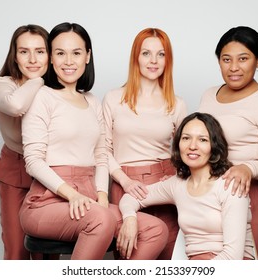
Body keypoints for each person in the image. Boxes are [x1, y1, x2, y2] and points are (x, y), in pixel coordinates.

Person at [19, 22, 168, 260]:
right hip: (45, 202)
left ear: (87, 56)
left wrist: (102, 195)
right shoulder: (41, 97)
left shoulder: (92, 102)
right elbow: (33, 162)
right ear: (51, 58)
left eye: (76, 53)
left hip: (88, 196)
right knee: (101, 220)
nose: (69, 61)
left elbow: (100, 155)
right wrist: (72, 195)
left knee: (155, 229)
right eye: (60, 53)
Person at [198, 26, 258, 260]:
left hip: (254, 198)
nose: (233, 67)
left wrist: (248, 168)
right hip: (210, 198)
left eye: (243, 59)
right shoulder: (209, 95)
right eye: (226, 59)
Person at [119, 112, 256, 260]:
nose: (192, 146)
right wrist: (129, 218)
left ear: (214, 146)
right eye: (186, 138)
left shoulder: (231, 185)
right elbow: (130, 197)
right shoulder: (177, 185)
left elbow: (233, 256)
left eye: (202, 140)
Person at [102, 27, 187, 260]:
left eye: (161, 54)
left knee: (169, 260)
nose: (153, 61)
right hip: (125, 182)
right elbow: (102, 150)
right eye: (146, 53)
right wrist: (124, 180)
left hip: (165, 185)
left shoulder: (177, 104)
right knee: (131, 258)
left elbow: (190, 152)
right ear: (135, 57)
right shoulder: (113, 99)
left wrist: (176, 179)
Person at [0, 24, 49, 260]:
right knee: (17, 250)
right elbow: (15, 105)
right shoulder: (4, 84)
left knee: (48, 253)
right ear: (15, 55)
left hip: (51, 173)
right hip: (16, 172)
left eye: (40, 51)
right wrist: (39, 80)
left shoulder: (58, 89)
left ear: (50, 54)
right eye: (24, 51)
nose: (32, 59)